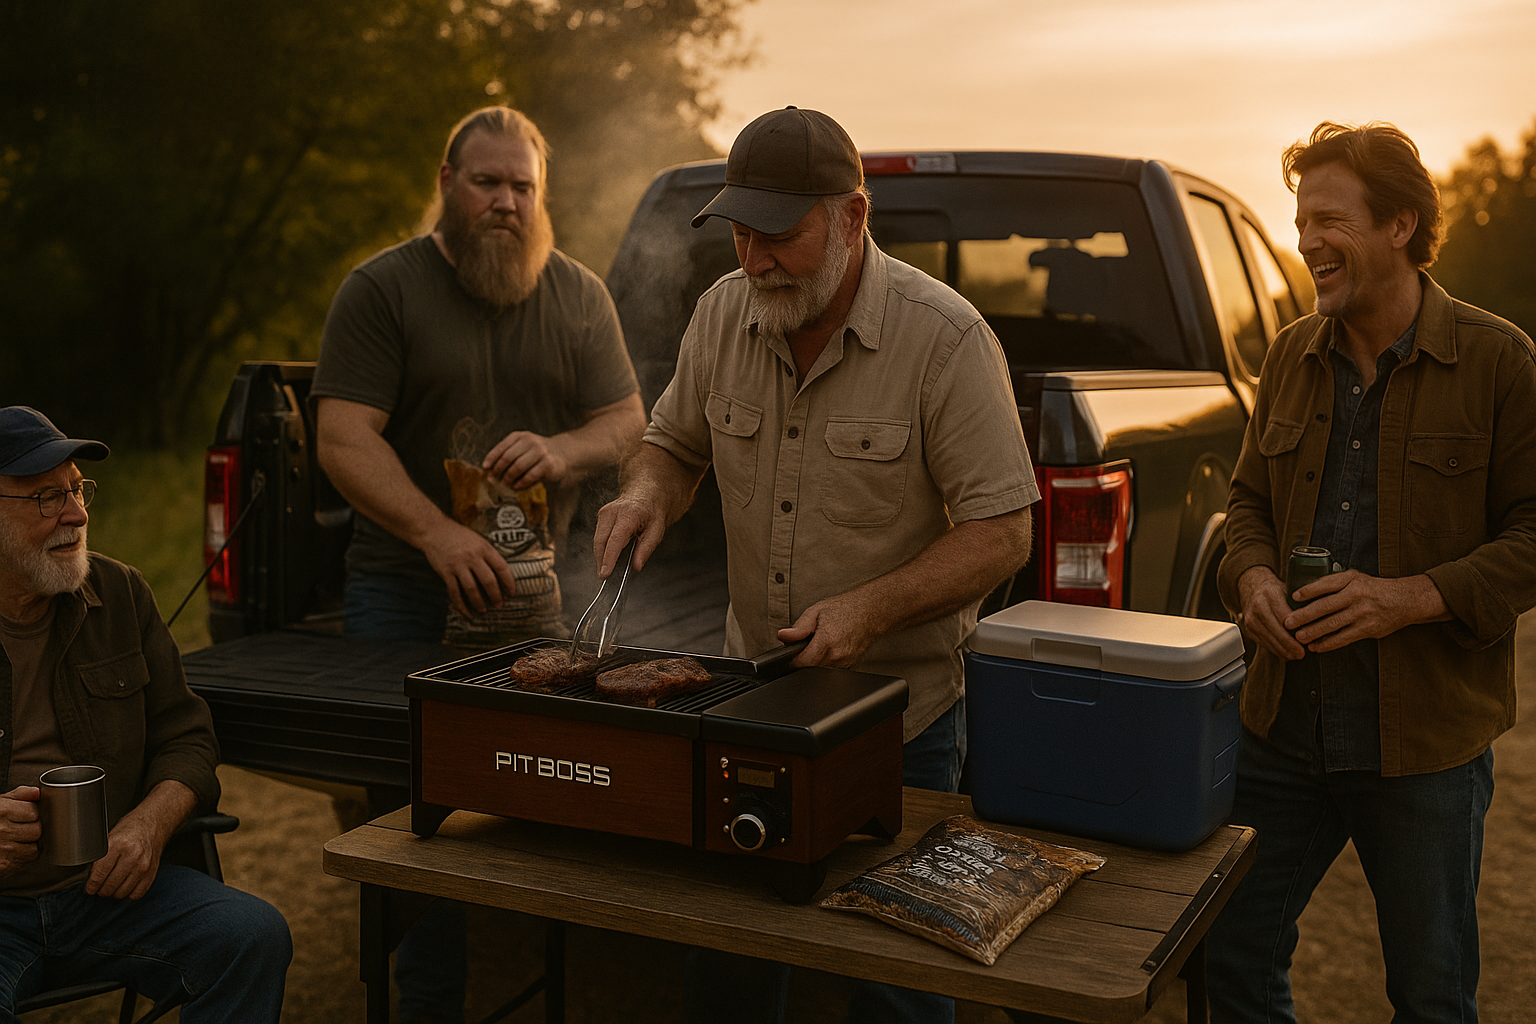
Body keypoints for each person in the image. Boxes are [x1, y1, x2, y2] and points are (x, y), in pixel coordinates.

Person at [594, 106, 1039, 1024]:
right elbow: (670, 445)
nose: (755, 261)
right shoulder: (723, 315)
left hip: (899, 727)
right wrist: (644, 494)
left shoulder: (945, 339)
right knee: (727, 961)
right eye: (742, 234)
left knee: (897, 979)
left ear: (852, 217)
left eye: (780, 236)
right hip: (749, 710)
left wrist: (869, 611)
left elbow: (1003, 532)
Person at [310, 105, 644, 1024]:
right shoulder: (382, 289)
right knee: (410, 811)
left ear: (543, 198)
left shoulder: (578, 294)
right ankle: (429, 1003)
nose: (506, 201)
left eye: (522, 187)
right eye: (487, 182)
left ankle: (543, 987)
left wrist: (569, 451)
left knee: (528, 793)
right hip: (402, 590)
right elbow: (341, 435)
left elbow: (627, 421)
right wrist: (434, 533)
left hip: (538, 597)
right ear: (447, 186)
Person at [1209, 122, 1536, 1022]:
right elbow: (1245, 509)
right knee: (1232, 958)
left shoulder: (1499, 360)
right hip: (1282, 733)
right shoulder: (1287, 356)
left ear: (1400, 224)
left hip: (1424, 748)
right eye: (1301, 220)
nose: (1307, 241)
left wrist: (1409, 598)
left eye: (1329, 220)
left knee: (1432, 998)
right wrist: (1253, 581)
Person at [0, 406, 292, 1021]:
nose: (76, 515)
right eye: (46, 498)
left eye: (77, 490)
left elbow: (187, 736)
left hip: (104, 893)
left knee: (252, 935)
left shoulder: (120, 593)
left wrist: (149, 826)